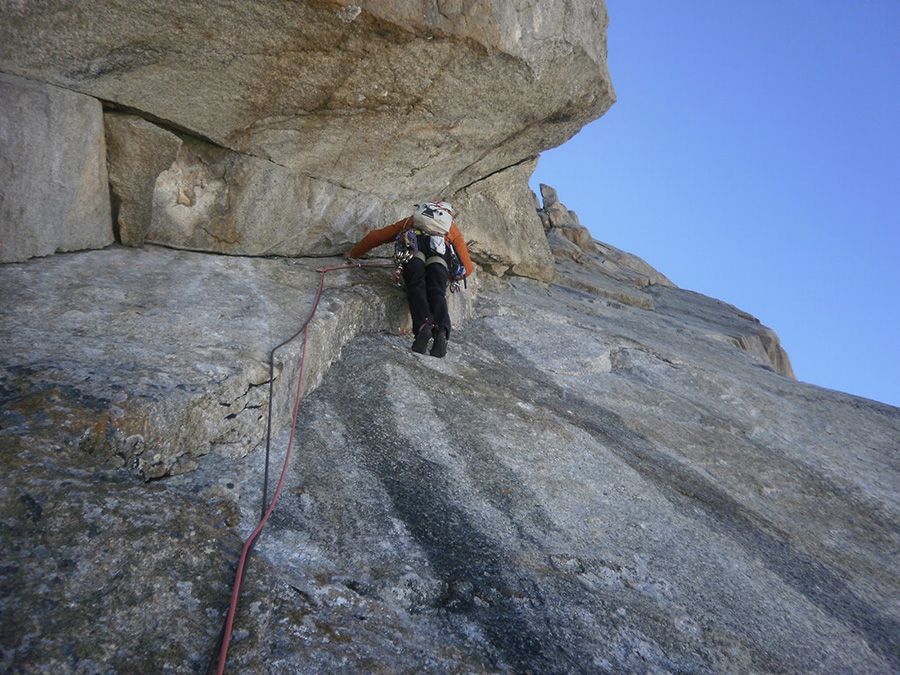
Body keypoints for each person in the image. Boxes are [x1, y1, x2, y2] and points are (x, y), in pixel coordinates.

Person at [346, 201, 474, 357]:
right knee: (437, 292)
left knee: (416, 286)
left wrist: (353, 253)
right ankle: (441, 331)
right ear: (448, 214)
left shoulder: (413, 221)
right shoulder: (450, 228)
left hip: (414, 252)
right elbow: (467, 269)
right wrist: (452, 275)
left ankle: (423, 326)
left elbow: (377, 236)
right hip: (439, 256)